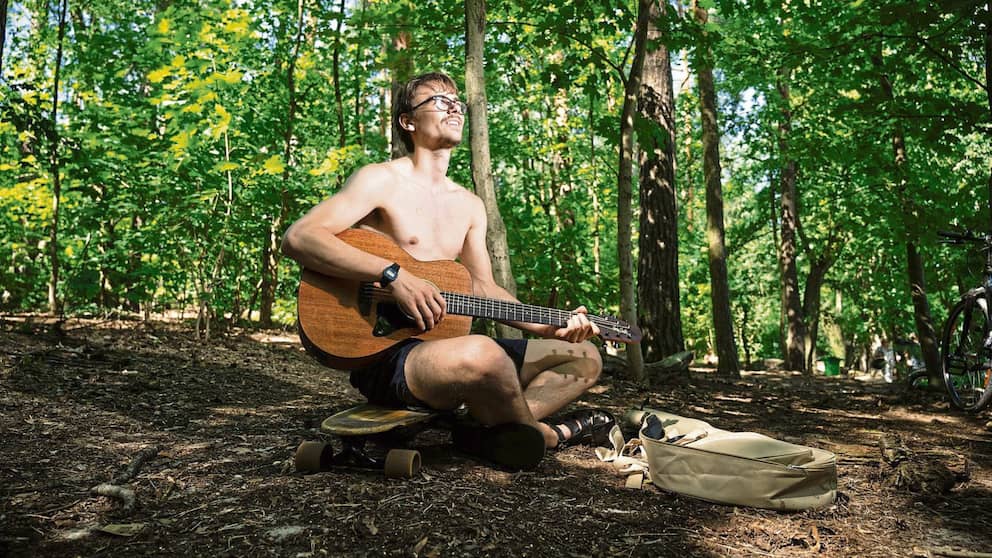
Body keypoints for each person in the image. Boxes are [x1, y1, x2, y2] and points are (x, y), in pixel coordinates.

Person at [281, 71, 612, 469]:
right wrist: (394, 276)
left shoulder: (470, 205)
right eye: (438, 100)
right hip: (389, 355)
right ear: (408, 121)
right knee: (484, 353)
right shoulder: (379, 180)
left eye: (456, 100)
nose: (454, 105)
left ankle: (492, 425)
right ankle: (539, 433)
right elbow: (300, 237)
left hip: (449, 349)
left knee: (585, 355)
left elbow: (482, 287)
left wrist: (549, 326)